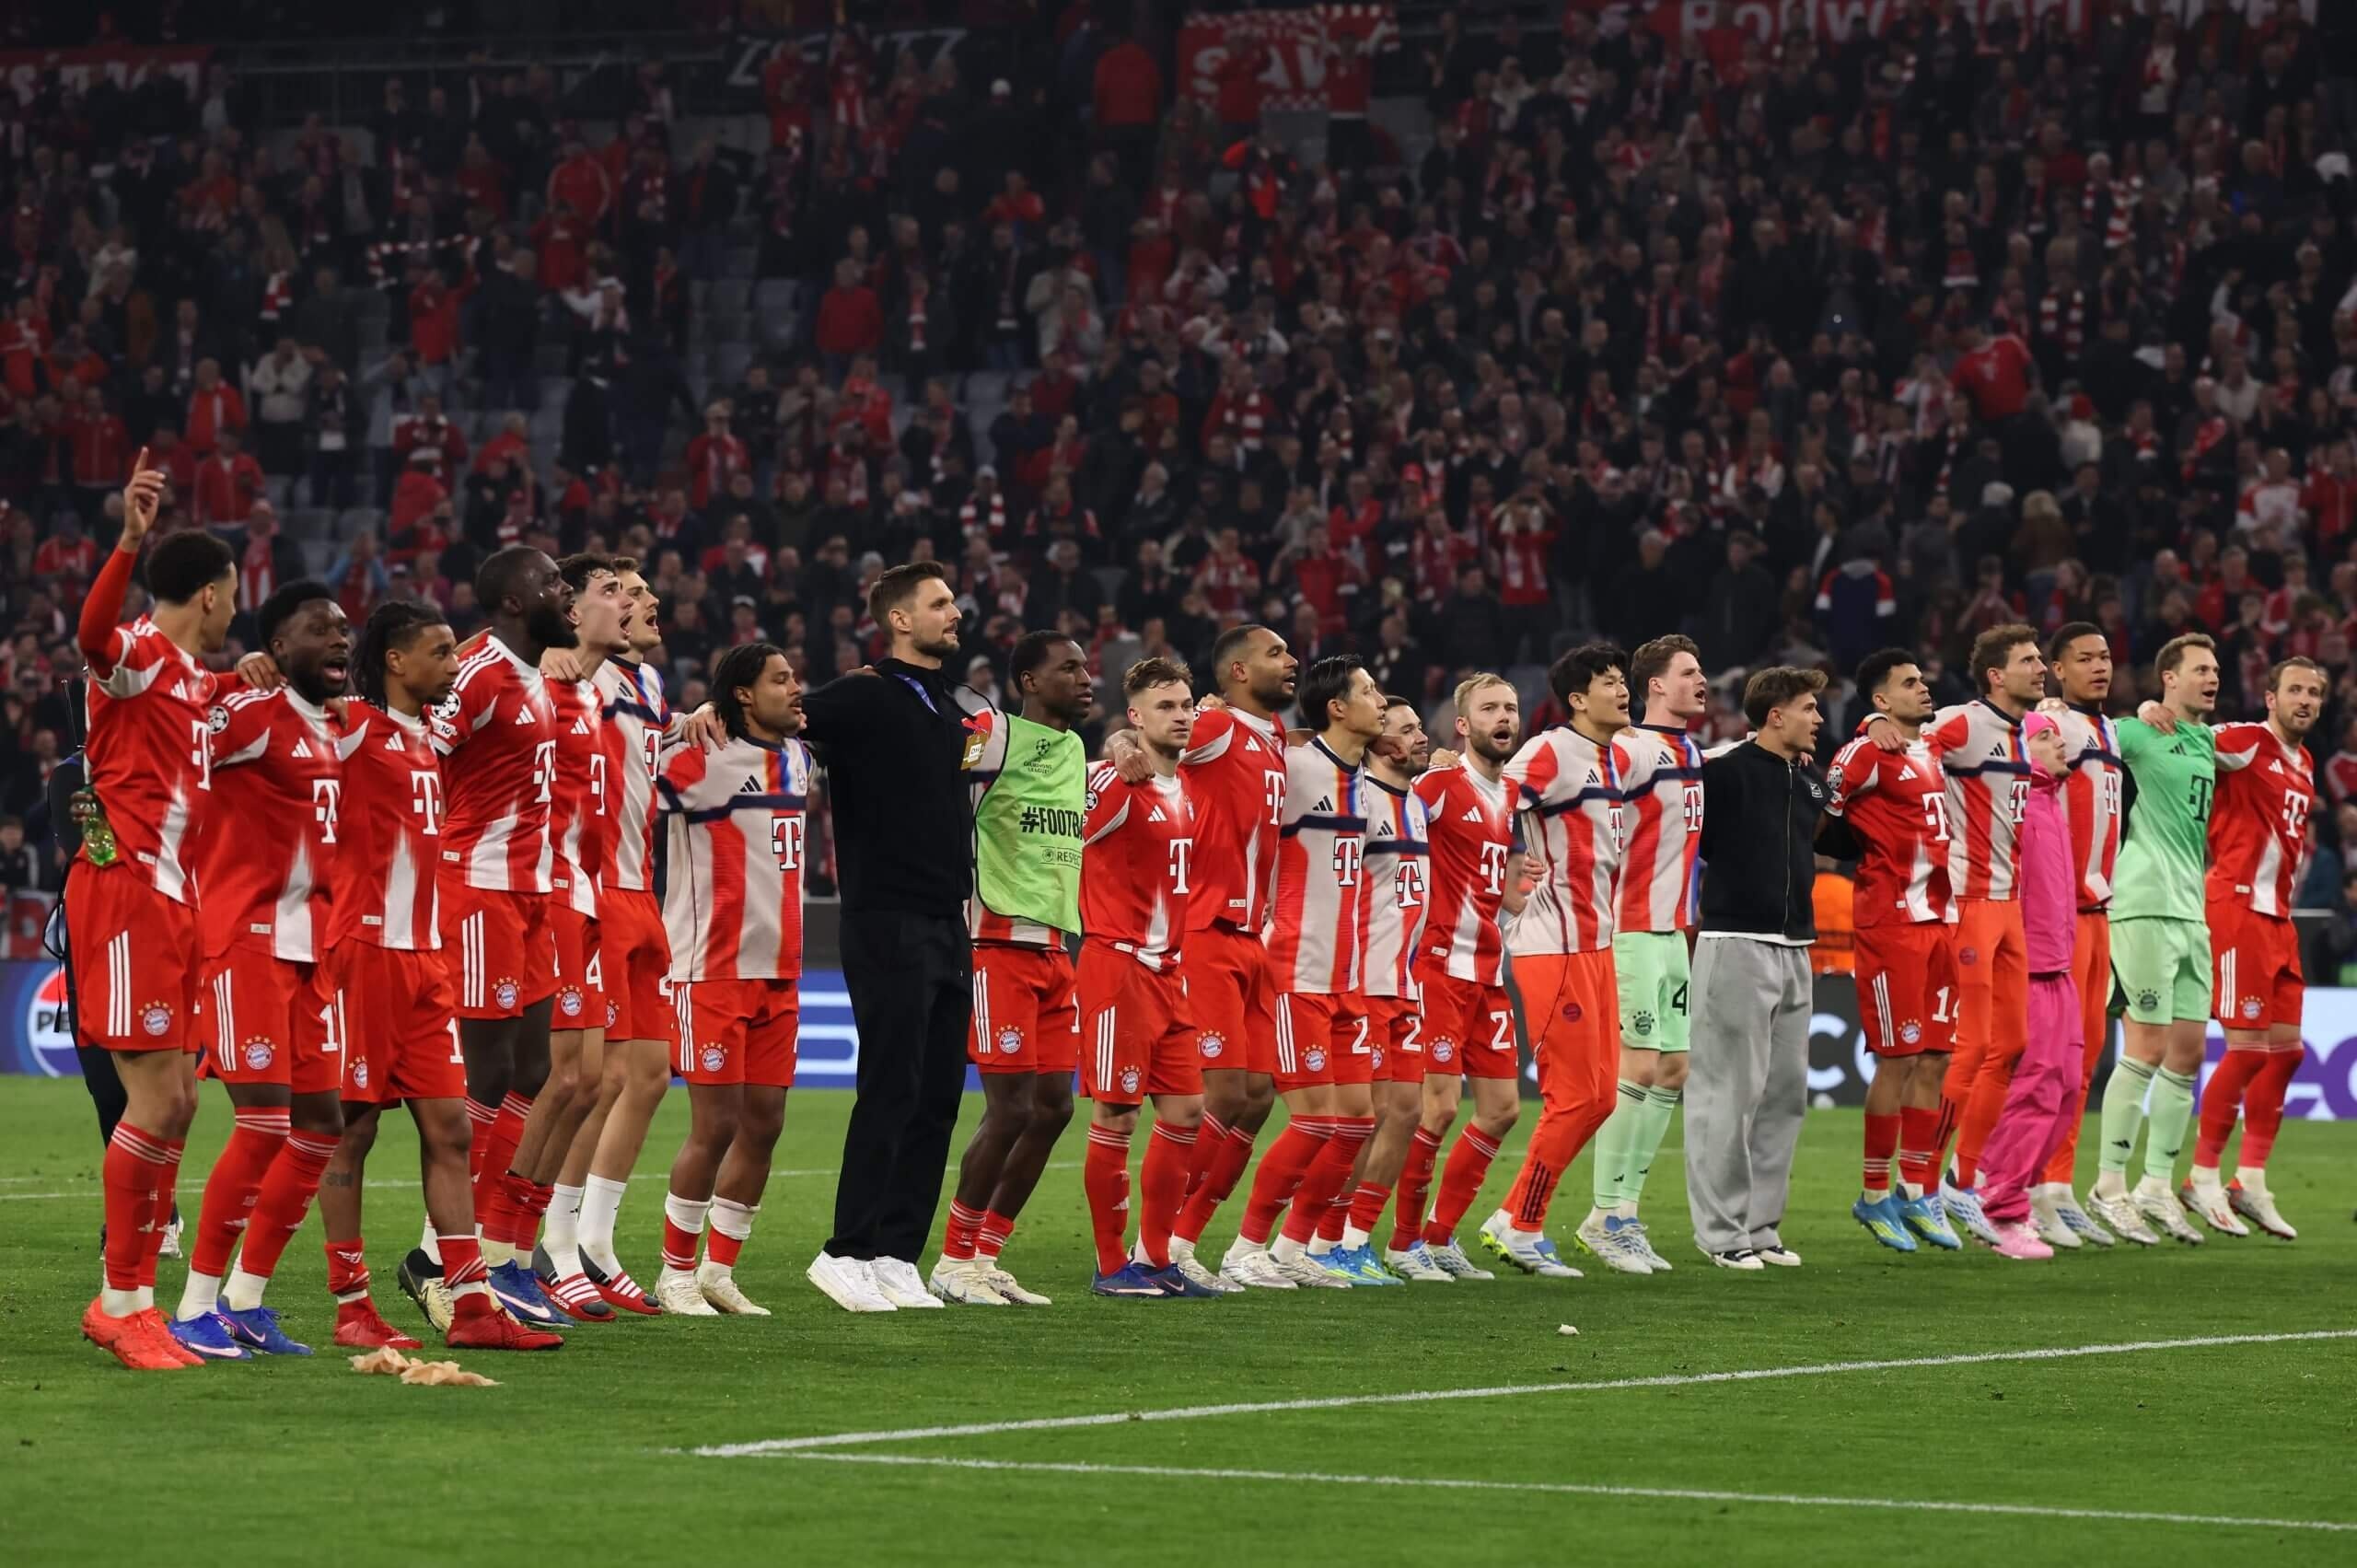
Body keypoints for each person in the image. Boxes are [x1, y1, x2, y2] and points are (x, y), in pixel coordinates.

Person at [317, 600, 558, 1351]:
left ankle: (473, 1304)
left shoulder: (428, 736)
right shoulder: (351, 724)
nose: (456, 664)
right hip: (363, 952)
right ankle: (351, 1303)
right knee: (354, 1128)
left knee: (451, 1127)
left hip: (426, 959)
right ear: (396, 661)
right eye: (442, 651)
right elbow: (264, 732)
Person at [72, 453, 235, 1370]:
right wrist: (129, 543)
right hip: (127, 890)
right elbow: (92, 636)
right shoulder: (137, 658)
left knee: (179, 1098)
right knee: (152, 1098)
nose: (235, 609)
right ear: (209, 594)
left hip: (178, 901)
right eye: (232, 594)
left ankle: (137, 1295)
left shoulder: (195, 681)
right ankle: (120, 1298)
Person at [167, 581, 353, 1360]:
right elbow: (165, 727)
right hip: (246, 939)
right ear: (277, 647)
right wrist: (222, 679)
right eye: (320, 629)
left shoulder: (337, 724)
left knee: (320, 1125)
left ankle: (246, 1298)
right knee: (265, 1121)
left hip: (313, 949)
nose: (340, 638)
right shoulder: (248, 712)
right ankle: (193, 1306)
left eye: (344, 628)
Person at [405, 545, 578, 1329]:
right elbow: (422, 754)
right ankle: (439, 1255)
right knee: (485, 1073)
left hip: (531, 890)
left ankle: (482, 1246)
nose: (562, 591)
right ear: (513, 600)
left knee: (534, 1068)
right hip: (478, 887)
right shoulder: (474, 671)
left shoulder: (533, 673)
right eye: (550, 582)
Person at [801, 562, 979, 1314]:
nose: (955, 612)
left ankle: (897, 1252)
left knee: (938, 1094)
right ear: (900, 619)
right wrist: (716, 710)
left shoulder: (953, 704)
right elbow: (786, 714)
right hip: (886, 916)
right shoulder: (863, 693)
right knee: (891, 1085)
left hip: (948, 918)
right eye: (939, 603)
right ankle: (845, 1249)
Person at [930, 632, 1092, 1308]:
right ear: (1029, 680)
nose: (1086, 678)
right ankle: (952, 1260)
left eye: (1086, 667)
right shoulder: (991, 733)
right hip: (995, 944)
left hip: (1055, 947)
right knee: (1012, 1108)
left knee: (1054, 1108)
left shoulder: (1078, 749)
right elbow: (939, 776)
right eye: (1069, 668)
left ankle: (986, 1254)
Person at [651, 642, 813, 1316]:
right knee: (714, 1125)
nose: (795, 687)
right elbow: (628, 776)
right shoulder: (700, 756)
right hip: (711, 968)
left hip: (781, 971)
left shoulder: (800, 758)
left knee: (764, 1125)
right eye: (781, 679)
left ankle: (718, 1270)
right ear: (744, 694)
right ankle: (674, 1273)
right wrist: (680, 723)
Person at [1225, 655, 1387, 1289]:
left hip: (1346, 978)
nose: (1381, 700)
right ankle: (1244, 1249)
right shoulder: (1293, 768)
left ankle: (1294, 1247)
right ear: (1337, 708)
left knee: (1356, 1124)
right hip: (1296, 969)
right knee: (1315, 1120)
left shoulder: (1365, 780)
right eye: (1369, 691)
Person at [1481, 644, 1631, 1277]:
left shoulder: (1616, 754)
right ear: (1578, 698)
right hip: (1553, 946)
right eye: (1609, 682)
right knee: (1573, 1097)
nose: (1623, 689)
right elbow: (1487, 798)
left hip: (1597, 945)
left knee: (1600, 1098)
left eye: (1624, 680)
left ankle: (1511, 1217)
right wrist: (1506, 878)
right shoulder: (1549, 751)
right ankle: (1524, 1226)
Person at [1074, 658, 1219, 1298]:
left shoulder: (1185, 785)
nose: (1181, 715)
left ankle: (1157, 1258)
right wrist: (1111, 750)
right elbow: (1057, 828)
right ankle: (1112, 1266)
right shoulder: (1112, 781)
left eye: (1186, 704)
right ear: (1135, 715)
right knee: (1117, 1114)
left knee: (1187, 1110)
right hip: (1119, 967)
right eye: (1165, 706)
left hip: (1169, 973)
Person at [1160, 624, 1296, 1292]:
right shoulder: (1214, 724)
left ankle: (1185, 1240)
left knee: (1259, 1096)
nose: (1291, 660)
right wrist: (1125, 746)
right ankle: (1156, 1243)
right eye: (1276, 653)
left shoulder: (1274, 737)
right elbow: (1155, 744)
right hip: (1207, 931)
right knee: (1223, 1093)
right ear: (1238, 671)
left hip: (1252, 938)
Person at [520, 554, 633, 1319]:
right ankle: (476, 1249)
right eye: (611, 591)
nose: (628, 602)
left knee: (585, 1082)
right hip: (532, 895)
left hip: (582, 895)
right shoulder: (531, 678)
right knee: (545, 1080)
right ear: (568, 611)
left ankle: (527, 1247)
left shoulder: (593, 692)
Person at [1686, 666, 1829, 1271]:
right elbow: (1690, 836)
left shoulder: (1809, 779)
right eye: (1808, 708)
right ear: (1776, 715)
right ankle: (1721, 1233)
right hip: (1735, 941)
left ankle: (1761, 1227)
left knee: (1784, 1096)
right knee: (1728, 1093)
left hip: (1795, 944)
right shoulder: (1723, 771)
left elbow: (1839, 837)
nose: (1818, 718)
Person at [2083, 633, 2220, 1247]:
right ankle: (2108, 1185)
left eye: (2215, 670)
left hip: (2192, 911)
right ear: (2170, 678)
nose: (2212, 678)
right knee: (2145, 1047)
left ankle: (2156, 1186)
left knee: (2187, 1053)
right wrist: (2135, 709)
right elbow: (2085, 733)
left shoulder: (2208, 740)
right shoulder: (2138, 734)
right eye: (2200, 670)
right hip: (2142, 904)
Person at [1829, 649, 1965, 1254]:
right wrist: (1866, 726)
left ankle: (1915, 1189)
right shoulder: (1865, 751)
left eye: (1922, 679)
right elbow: (1822, 808)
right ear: (1881, 699)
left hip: (1941, 920)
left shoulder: (1929, 746)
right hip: (1892, 922)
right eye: (1909, 683)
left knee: (1935, 1059)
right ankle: (1873, 1191)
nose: (1923, 687)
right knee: (1898, 1059)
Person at [1392, 673, 1527, 1282]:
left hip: (1488, 971)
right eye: (1490, 708)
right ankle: (1403, 1243)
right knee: (1438, 1109)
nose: (1504, 717)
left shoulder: (1511, 790)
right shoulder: (1441, 784)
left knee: (1501, 1109)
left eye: (1511, 708)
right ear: (1464, 725)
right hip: (1439, 968)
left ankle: (1440, 1236)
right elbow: (1385, 806)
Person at [2187, 656, 2323, 1239]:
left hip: (2279, 919)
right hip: (2237, 906)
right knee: (2245, 1051)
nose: (2306, 700)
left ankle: (2251, 1181)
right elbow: (2185, 735)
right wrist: (2151, 711)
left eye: (2314, 692)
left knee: (2286, 1052)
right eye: (2295, 690)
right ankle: (2200, 1177)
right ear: (2271, 697)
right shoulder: (2244, 741)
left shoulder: (2305, 761)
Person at [1917, 623, 2045, 1246]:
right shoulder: (1964, 723)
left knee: (2012, 1044)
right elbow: (1907, 738)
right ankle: (1923, 1183)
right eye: (2029, 660)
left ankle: (1962, 1181)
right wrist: (1876, 721)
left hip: (2010, 906)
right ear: (1997, 675)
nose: (2041, 667)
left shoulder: (2025, 732)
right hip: (1968, 902)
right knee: (1969, 1048)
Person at [1587, 634, 1709, 1274]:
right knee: (1635, 1068)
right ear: (1655, 684)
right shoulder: (1629, 748)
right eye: (1688, 672)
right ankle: (1604, 1215)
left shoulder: (1692, 751)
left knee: (1674, 1069)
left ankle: (1626, 1211)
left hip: (1673, 933)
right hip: (1629, 926)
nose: (1701, 681)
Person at [1315, 693, 1430, 1284]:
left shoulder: (1422, 802)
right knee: (1365, 1117)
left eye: (1419, 727)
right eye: (1405, 730)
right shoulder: (1358, 800)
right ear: (1379, 740)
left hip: (1406, 983)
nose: (1419, 736)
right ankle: (1320, 1237)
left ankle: (1357, 1238)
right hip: (1365, 980)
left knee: (1407, 1113)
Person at [1972, 712, 2081, 1260]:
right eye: (2045, 737)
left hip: (2061, 965)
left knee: (2068, 1088)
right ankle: (1999, 1206)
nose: (2060, 743)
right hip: (2029, 966)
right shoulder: (2012, 801)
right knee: (2033, 1089)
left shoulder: (2053, 801)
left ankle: (2015, 1195)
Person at [2036, 623, 2127, 1248]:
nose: (2100, 666)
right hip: (2060, 914)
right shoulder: (2051, 723)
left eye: (2106, 656)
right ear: (2057, 669)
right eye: (2085, 658)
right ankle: (2015, 1185)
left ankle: (2059, 1187)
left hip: (2100, 914)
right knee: (2049, 1060)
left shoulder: (2111, 730)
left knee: (2085, 1060)